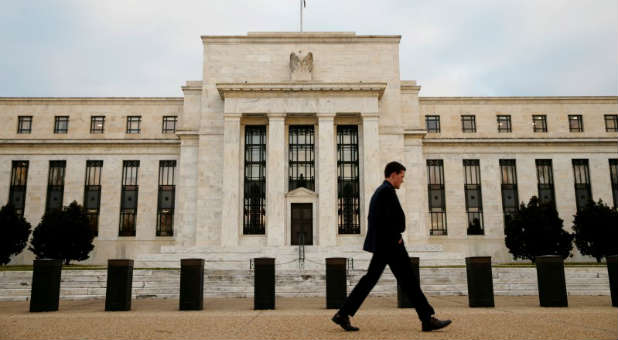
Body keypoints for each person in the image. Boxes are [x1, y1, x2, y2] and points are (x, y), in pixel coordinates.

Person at [331, 161, 452, 332]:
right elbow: (387, 220)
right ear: (393, 174)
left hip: (385, 245)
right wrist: (396, 238)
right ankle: (427, 319)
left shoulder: (382, 191)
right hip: (391, 245)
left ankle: (343, 314)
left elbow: (379, 219)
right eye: (401, 176)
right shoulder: (386, 192)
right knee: (408, 280)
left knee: (373, 280)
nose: (402, 180)